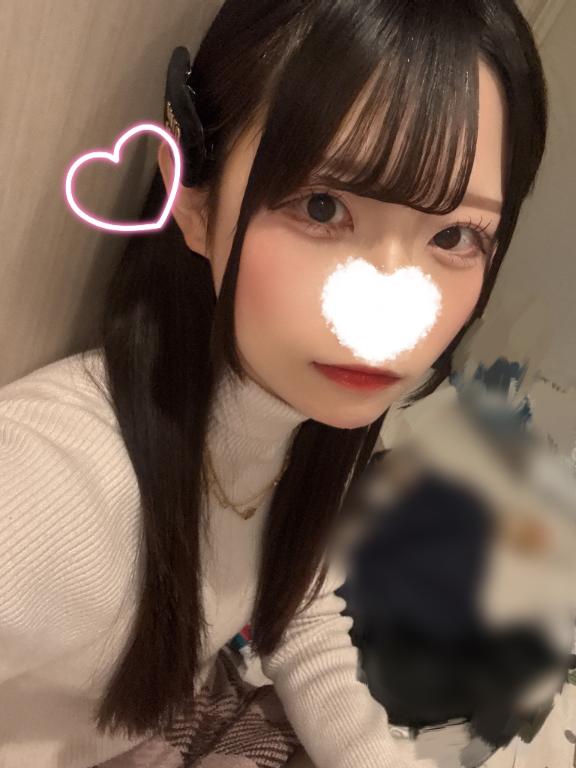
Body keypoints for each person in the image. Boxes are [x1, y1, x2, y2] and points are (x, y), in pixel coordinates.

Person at [0, 1, 548, 767]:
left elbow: (297, 600)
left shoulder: (307, 428)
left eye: (454, 236)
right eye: (324, 208)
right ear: (193, 198)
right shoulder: (48, 482)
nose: (388, 323)